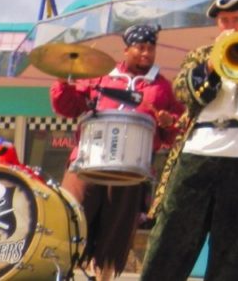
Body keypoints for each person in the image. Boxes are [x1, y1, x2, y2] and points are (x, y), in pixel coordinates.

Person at [141, 0, 238, 281]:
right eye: (224, 20)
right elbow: (182, 92)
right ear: (217, 24)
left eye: (236, 19)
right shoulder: (198, 55)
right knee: (174, 234)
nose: (230, 26)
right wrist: (210, 66)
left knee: (230, 243)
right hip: (197, 153)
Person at [49, 23, 183, 281]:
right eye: (140, 48)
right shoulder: (99, 75)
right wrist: (63, 80)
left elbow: (173, 128)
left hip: (130, 172)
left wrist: (170, 122)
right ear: (126, 50)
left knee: (115, 235)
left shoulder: (162, 86)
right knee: (70, 221)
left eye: (151, 49)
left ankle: (104, 277)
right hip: (86, 163)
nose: (146, 53)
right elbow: (69, 107)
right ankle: (60, 274)